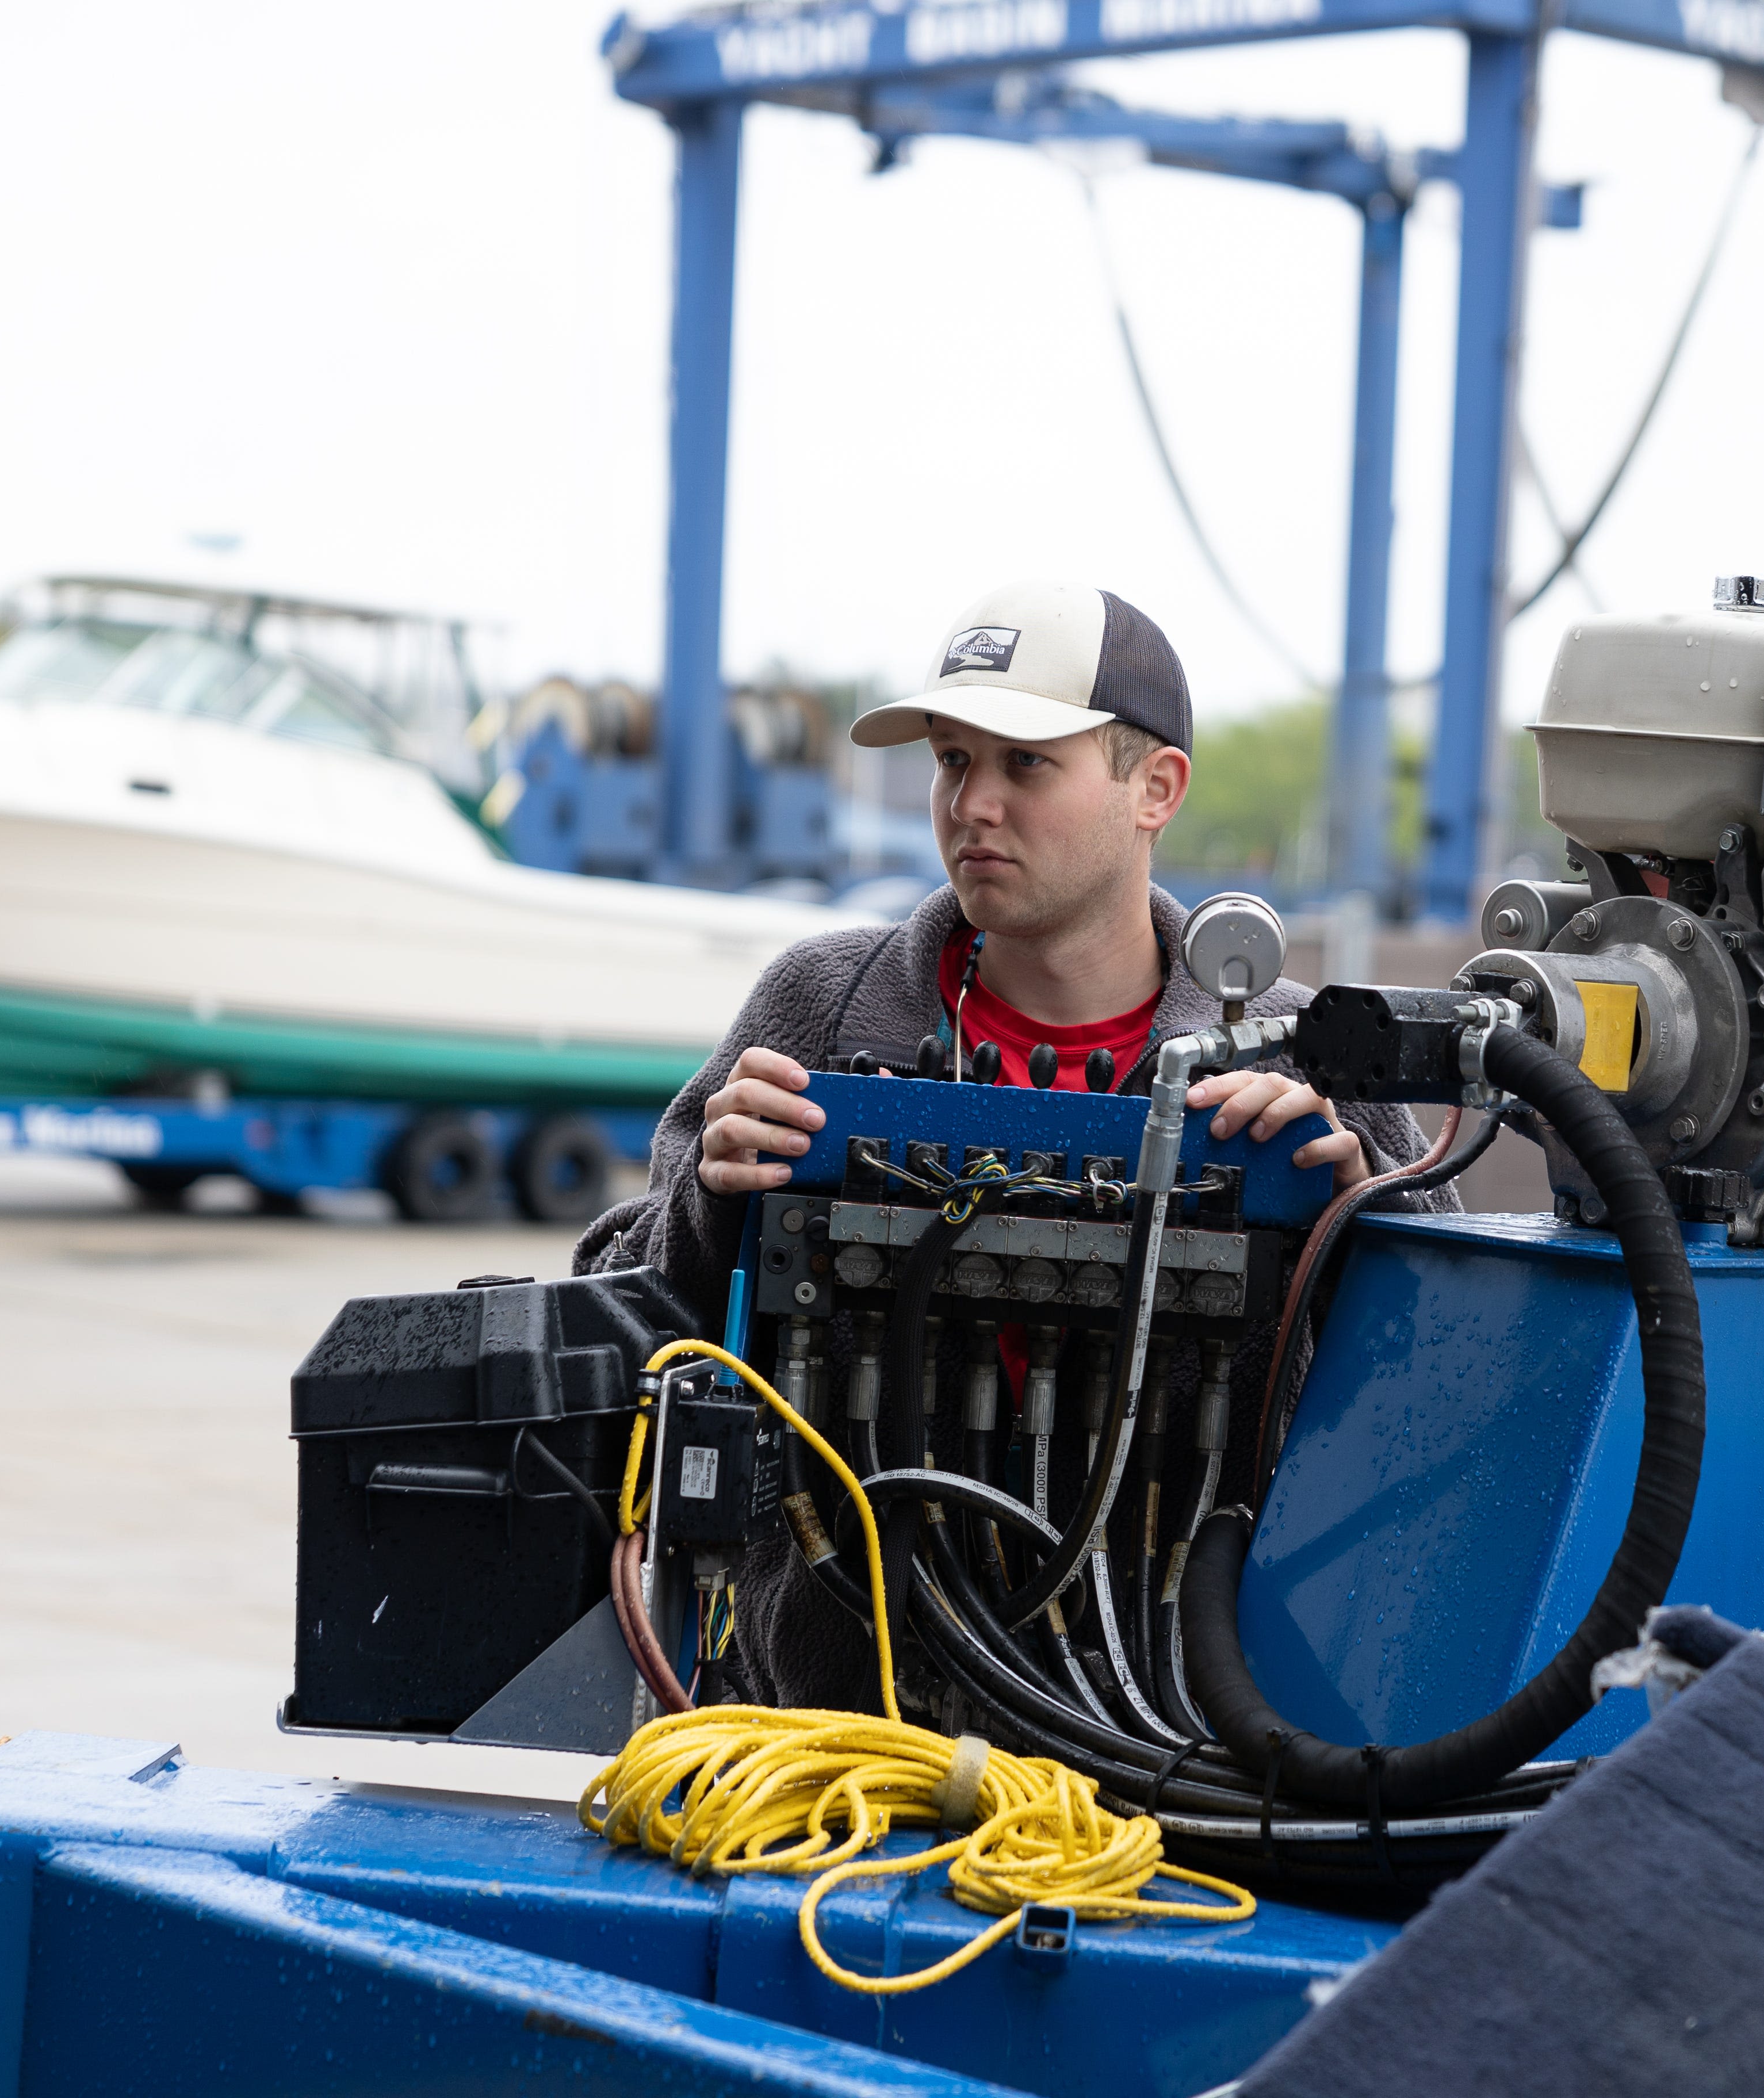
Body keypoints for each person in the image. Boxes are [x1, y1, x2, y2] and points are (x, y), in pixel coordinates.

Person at [574, 578, 1455, 1710]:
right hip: (835, 1736)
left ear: (1157, 789)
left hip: (1179, 1745)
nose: (972, 805)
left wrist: (1358, 1222)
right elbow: (616, 1310)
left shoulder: (1303, 1057)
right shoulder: (823, 1011)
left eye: (1025, 765)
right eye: (952, 762)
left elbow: (1442, 1402)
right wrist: (712, 1200)